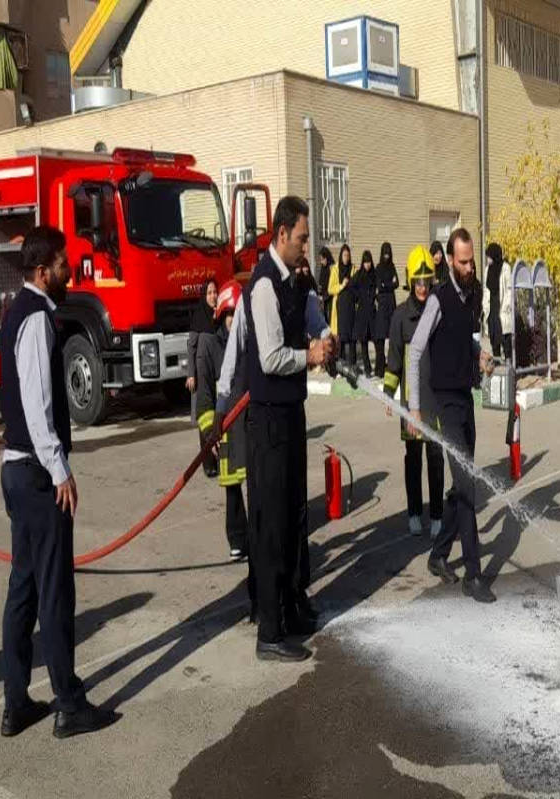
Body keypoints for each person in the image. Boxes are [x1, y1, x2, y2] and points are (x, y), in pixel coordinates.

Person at [0, 226, 117, 739]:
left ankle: (16, 702)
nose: (73, 271)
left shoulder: (19, 313)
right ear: (43, 271)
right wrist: (59, 469)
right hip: (34, 472)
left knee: (24, 586)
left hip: (18, 470)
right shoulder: (36, 321)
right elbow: (38, 405)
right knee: (53, 590)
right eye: (66, 264)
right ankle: (68, 703)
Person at [234, 195, 336, 661]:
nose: (305, 246)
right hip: (269, 422)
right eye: (300, 238)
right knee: (272, 524)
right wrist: (310, 357)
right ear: (280, 235)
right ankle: (269, 631)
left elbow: (312, 321)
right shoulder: (262, 287)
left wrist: (325, 339)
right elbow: (273, 357)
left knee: (295, 516)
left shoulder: (294, 282)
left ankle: (293, 606)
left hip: (291, 415)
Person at [407, 228, 496, 604]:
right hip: (444, 406)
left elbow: (467, 336)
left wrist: (480, 354)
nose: (470, 266)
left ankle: (439, 554)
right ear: (450, 261)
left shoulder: (471, 295)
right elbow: (414, 352)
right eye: (463, 261)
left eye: (472, 260)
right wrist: (413, 409)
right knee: (468, 486)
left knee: (464, 484)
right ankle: (473, 576)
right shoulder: (438, 300)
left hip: (466, 398)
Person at [383, 246, 445, 538]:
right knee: (413, 458)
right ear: (410, 281)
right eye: (418, 281)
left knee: (436, 457)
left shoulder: (438, 311)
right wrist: (388, 394)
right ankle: (414, 513)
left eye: (426, 281)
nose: (422, 287)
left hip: (436, 400)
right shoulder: (399, 317)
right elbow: (394, 359)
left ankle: (437, 515)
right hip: (411, 401)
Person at [195, 281, 250, 562]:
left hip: (250, 425)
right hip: (225, 429)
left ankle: (258, 535)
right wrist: (208, 431)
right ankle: (237, 538)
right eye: (229, 317)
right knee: (232, 489)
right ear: (221, 317)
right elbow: (203, 395)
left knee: (256, 484)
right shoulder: (209, 345)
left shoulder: (249, 343)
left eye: (237, 316)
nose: (233, 322)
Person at [186, 278, 219, 475]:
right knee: (204, 419)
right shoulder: (199, 317)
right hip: (201, 374)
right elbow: (191, 347)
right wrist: (191, 375)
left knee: (216, 416)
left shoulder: (219, 315)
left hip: (215, 374)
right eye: (209, 293)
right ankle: (208, 464)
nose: (213, 296)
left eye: (215, 292)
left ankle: (217, 458)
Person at [374, 242, 399, 376]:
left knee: (392, 336)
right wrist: (389, 284)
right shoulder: (378, 268)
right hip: (383, 305)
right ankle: (380, 368)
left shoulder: (393, 266)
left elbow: (397, 283)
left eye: (388, 253)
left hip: (391, 304)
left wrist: (386, 285)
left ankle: (392, 366)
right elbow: (380, 285)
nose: (387, 255)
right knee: (381, 337)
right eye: (385, 253)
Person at [352, 250, 377, 376]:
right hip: (362, 312)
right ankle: (368, 370)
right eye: (365, 262)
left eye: (369, 262)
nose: (367, 265)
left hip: (372, 312)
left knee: (376, 340)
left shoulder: (374, 274)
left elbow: (378, 288)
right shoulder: (359, 275)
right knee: (363, 342)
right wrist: (359, 297)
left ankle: (378, 367)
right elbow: (351, 286)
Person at [327, 243, 353, 350]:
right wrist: (342, 285)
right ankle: (340, 360)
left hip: (350, 306)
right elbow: (330, 289)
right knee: (340, 336)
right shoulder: (335, 269)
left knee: (351, 336)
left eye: (348, 255)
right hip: (339, 305)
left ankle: (352, 362)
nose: (346, 258)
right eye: (344, 255)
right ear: (341, 256)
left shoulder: (353, 268)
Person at [485, 242, 506, 358]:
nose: (487, 259)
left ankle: (508, 366)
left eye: (489, 256)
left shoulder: (504, 268)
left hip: (501, 307)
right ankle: (497, 364)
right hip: (491, 309)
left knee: (503, 337)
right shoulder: (488, 270)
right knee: (494, 338)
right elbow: (486, 289)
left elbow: (507, 290)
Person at [316, 246, 333, 319]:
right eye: (320, 260)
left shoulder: (332, 268)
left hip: (330, 299)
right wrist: (319, 294)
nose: (321, 262)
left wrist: (324, 296)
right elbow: (321, 282)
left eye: (323, 259)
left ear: (327, 258)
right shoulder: (323, 268)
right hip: (324, 299)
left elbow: (332, 284)